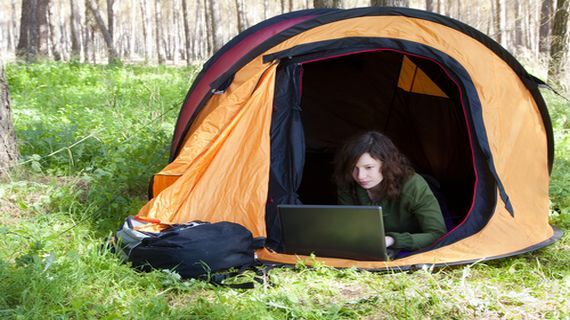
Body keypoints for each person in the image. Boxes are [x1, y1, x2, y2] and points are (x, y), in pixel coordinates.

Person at [333, 131, 446, 252]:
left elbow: (438, 234)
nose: (360, 176)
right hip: (368, 248)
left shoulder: (413, 185)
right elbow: (348, 228)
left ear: (386, 164)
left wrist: (392, 240)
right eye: (353, 168)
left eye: (369, 167)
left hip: (409, 249)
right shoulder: (348, 182)